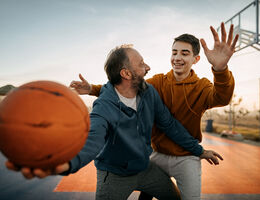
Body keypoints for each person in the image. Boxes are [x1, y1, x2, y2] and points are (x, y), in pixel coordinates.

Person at [6, 45, 222, 200]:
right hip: (114, 175)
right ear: (126, 73)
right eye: (141, 64)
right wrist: (68, 163)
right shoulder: (104, 107)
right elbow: (92, 140)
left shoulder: (148, 93)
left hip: (145, 167)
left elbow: (169, 124)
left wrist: (198, 150)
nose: (147, 66)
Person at [70, 23, 238, 200]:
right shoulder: (155, 84)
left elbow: (220, 99)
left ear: (196, 59)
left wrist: (220, 70)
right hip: (154, 155)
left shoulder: (199, 86)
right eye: (174, 52)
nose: (177, 57)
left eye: (184, 53)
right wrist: (92, 89)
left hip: (182, 156)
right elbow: (123, 86)